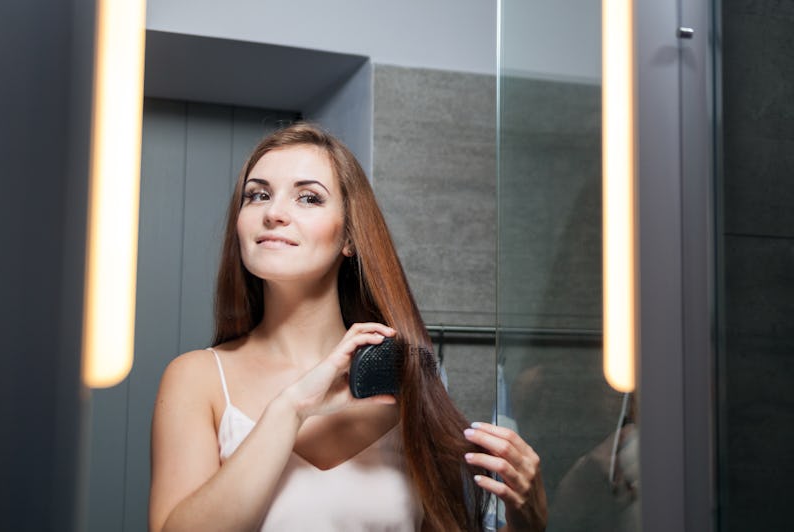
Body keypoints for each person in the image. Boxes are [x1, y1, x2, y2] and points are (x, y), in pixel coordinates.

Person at [148, 122, 547, 531]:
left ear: (350, 238)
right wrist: (291, 408)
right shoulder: (197, 379)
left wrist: (526, 519)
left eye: (308, 197)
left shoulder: (405, 381)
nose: (273, 213)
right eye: (258, 194)